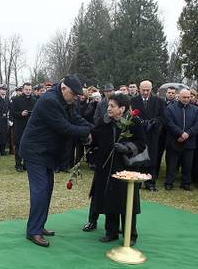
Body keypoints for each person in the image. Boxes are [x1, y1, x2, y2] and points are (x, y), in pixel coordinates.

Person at [19, 75, 92, 247]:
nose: (75, 98)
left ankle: (39, 225)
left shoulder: (66, 99)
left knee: (47, 189)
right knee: (40, 190)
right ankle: (33, 231)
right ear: (64, 88)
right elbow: (63, 127)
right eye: (73, 94)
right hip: (35, 151)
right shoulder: (49, 101)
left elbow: (74, 118)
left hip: (47, 152)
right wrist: (85, 132)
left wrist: (91, 128)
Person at [88, 93, 147, 243]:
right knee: (110, 199)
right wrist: (86, 139)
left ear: (122, 109)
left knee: (127, 201)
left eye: (112, 106)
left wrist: (126, 148)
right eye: (108, 105)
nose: (108, 108)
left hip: (126, 168)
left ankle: (130, 235)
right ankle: (111, 232)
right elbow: (94, 140)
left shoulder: (133, 122)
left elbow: (141, 143)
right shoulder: (103, 122)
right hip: (106, 167)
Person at [164, 88, 198, 190]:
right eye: (184, 97)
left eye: (188, 97)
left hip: (189, 141)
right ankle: (169, 182)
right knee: (172, 164)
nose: (186, 99)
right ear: (179, 97)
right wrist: (180, 133)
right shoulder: (170, 108)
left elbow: (197, 124)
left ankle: (186, 183)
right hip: (174, 140)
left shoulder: (195, 109)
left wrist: (187, 134)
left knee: (187, 164)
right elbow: (169, 123)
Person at [132, 80, 165, 191]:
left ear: (151, 89)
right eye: (143, 90)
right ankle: (137, 182)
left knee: (152, 158)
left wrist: (154, 122)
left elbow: (163, 117)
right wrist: (139, 122)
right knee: (138, 158)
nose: (145, 92)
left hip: (152, 135)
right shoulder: (133, 101)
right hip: (138, 134)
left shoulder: (159, 101)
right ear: (139, 89)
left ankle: (150, 182)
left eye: (148, 90)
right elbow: (130, 116)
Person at [10, 82, 36, 171]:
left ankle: (26, 164)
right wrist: (21, 113)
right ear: (23, 90)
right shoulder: (16, 100)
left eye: (29, 89)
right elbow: (12, 113)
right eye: (26, 89)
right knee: (19, 145)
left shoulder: (34, 100)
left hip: (30, 126)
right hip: (19, 125)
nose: (28, 91)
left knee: (29, 145)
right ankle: (18, 164)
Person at [0, 85, 11, 155]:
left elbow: (9, 108)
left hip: (5, 119)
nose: (4, 91)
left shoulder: (7, 99)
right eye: (2, 89)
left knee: (4, 134)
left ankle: (2, 151)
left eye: (5, 89)